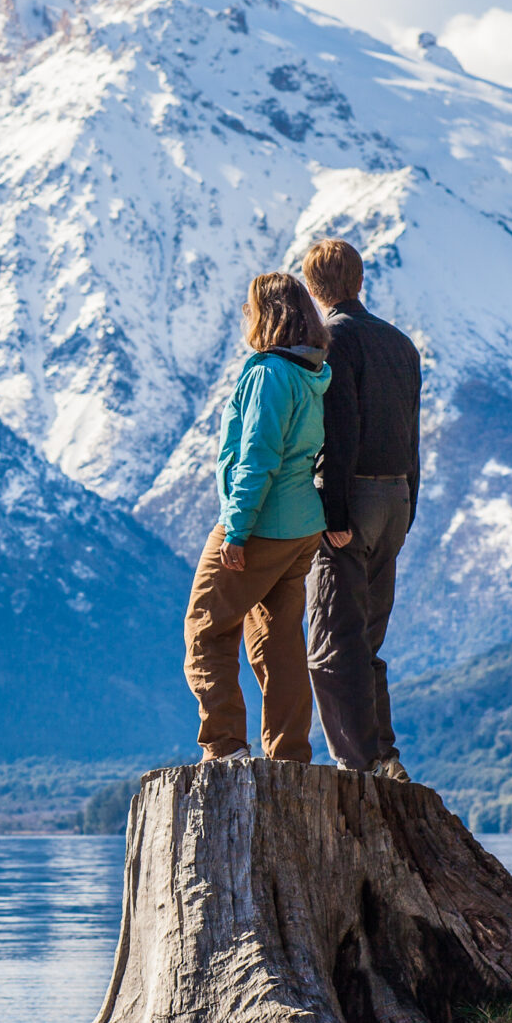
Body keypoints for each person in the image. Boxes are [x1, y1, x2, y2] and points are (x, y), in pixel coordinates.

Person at [184, 272, 333, 762]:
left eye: (251, 309)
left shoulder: (269, 373)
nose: (246, 317)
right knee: (278, 642)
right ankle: (288, 754)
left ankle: (225, 747)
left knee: (205, 628)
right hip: (302, 527)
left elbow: (257, 458)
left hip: (261, 525)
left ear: (266, 315)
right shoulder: (312, 373)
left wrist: (237, 530)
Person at [301, 237, 423, 781]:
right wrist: (407, 506)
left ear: (313, 287)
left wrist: (334, 513)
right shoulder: (401, 345)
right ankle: (384, 757)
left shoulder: (333, 340)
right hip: (397, 496)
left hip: (353, 496)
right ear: (360, 281)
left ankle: (360, 766)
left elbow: (340, 427)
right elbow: (413, 435)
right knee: (367, 639)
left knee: (330, 642)